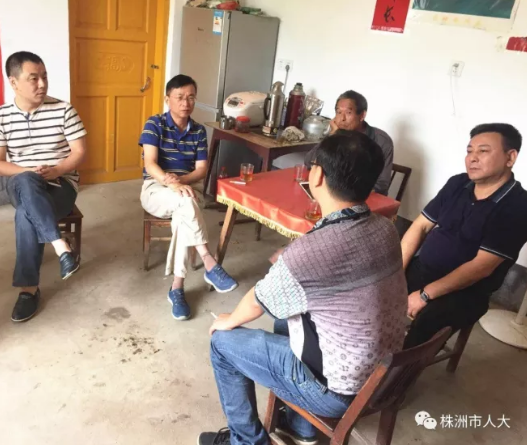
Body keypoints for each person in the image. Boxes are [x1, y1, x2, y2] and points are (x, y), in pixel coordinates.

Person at [198, 131, 408, 445]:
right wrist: (294, 262)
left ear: (317, 175)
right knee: (287, 314)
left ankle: (247, 441)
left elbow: (258, 300)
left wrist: (228, 320)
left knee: (222, 342)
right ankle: (302, 427)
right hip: (380, 376)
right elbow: (336, 267)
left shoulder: (311, 252)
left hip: (335, 391)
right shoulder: (385, 228)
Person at [402, 123, 527, 349]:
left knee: (428, 321)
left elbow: (481, 267)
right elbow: (420, 226)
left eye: (483, 151)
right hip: (424, 270)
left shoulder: (518, 206)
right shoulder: (458, 183)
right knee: (373, 283)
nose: (472, 158)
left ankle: (397, 369)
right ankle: (363, 351)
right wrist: (396, 270)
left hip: (467, 291)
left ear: (510, 157)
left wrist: (424, 295)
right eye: (469, 151)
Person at [0, 51, 87, 323]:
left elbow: (79, 152)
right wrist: (29, 172)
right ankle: (61, 246)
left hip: (60, 184)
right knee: (26, 180)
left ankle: (28, 291)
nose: (42, 84)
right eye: (34, 78)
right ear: (14, 82)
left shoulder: (64, 110)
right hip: (22, 184)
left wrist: (55, 171)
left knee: (25, 214)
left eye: (44, 77)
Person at [140, 75, 237, 321]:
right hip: (156, 188)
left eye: (191, 97)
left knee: (184, 213)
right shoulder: (154, 124)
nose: (186, 103)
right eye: (180, 97)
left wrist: (181, 182)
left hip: (188, 189)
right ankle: (208, 261)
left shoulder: (199, 131)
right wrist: (171, 183)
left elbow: (201, 170)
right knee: (186, 203)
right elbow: (150, 163)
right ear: (167, 99)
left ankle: (177, 287)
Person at [273, 90, 394, 196]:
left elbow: (381, 185)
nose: (342, 118)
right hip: (336, 195)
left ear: (362, 115)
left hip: (364, 198)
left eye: (348, 113)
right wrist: (333, 137)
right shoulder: (338, 133)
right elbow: (309, 162)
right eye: (338, 112)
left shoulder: (381, 141)